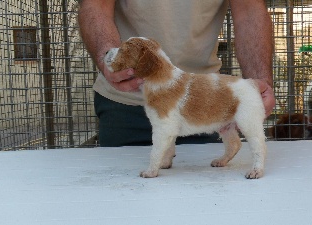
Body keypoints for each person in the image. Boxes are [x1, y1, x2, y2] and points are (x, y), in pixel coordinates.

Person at [78, 0, 276, 146]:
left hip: (205, 100)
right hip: (125, 102)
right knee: (125, 195)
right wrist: (110, 57)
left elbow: (249, 9)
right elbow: (96, 5)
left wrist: (260, 84)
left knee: (209, 196)